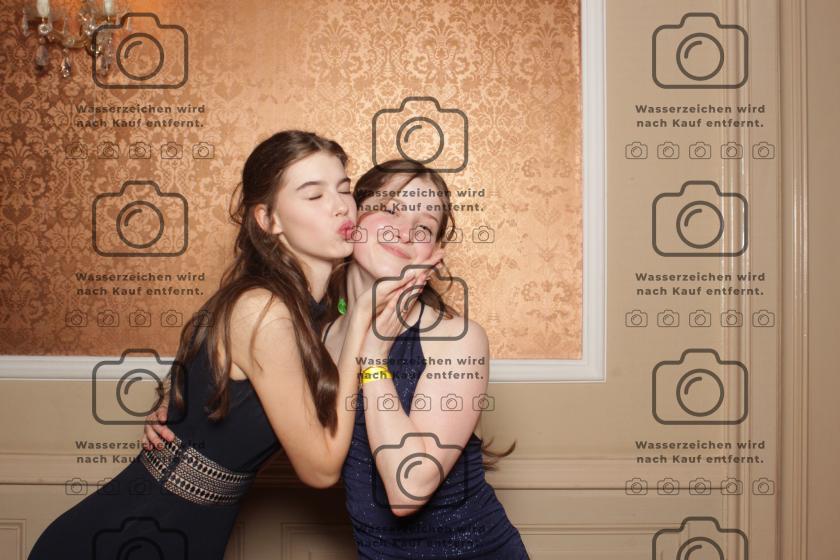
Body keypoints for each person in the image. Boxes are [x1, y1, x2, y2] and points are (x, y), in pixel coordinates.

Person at [28, 131, 427, 560]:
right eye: (314, 195)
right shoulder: (263, 311)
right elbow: (321, 469)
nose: (341, 206)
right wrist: (364, 321)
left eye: (344, 189)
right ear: (268, 220)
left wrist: (174, 399)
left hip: (190, 536)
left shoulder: (313, 314)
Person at [320, 159, 530, 559]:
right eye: (392, 208)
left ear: (434, 253)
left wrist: (374, 358)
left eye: (424, 227)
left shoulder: (457, 340)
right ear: (353, 217)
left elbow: (409, 489)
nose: (405, 231)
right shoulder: (320, 336)